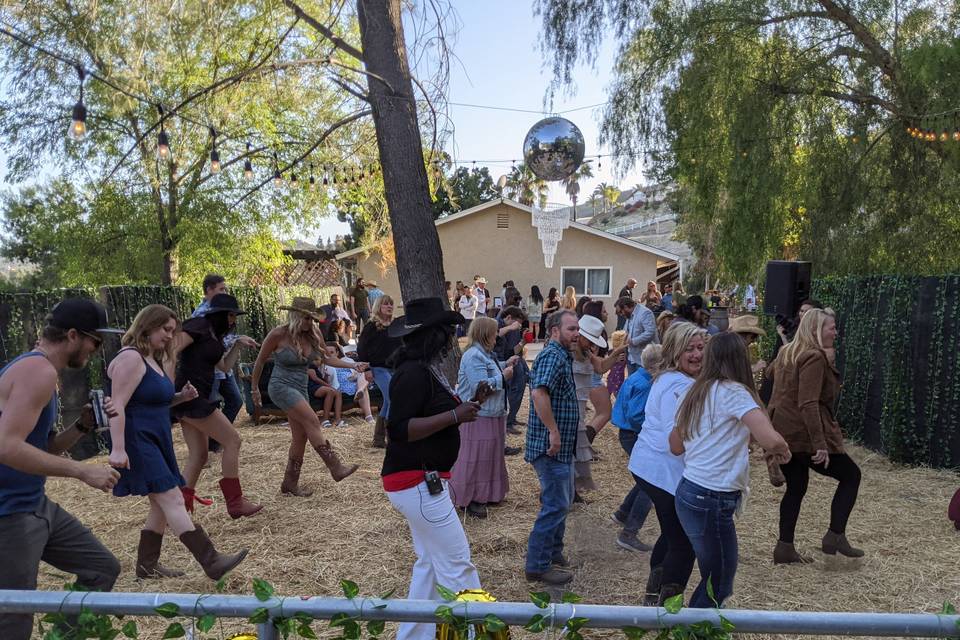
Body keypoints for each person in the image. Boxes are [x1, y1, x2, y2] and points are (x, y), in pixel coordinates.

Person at [0, 299, 123, 639]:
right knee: (13, 619)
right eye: (95, 341)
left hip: (33, 505)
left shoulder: (42, 372)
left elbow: (40, 447)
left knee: (101, 569)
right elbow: (6, 447)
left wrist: (81, 427)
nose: (97, 350)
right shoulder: (37, 371)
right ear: (72, 335)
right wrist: (82, 472)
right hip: (9, 513)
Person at [107, 305, 249, 580]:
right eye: (165, 330)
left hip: (155, 437)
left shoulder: (152, 358)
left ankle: (147, 566)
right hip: (138, 440)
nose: (170, 336)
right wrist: (118, 447)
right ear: (147, 326)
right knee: (172, 498)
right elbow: (117, 406)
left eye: (173, 331)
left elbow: (150, 400)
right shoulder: (131, 358)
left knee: (161, 503)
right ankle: (212, 561)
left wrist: (180, 398)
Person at [381, 297, 482, 640]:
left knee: (429, 565)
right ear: (433, 336)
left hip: (418, 482)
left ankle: (413, 635)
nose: (452, 337)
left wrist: (462, 409)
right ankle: (474, 634)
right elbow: (400, 429)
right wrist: (455, 415)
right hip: (417, 482)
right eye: (447, 331)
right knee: (457, 565)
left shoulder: (423, 370)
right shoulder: (411, 374)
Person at [668, 332, 790, 608]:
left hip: (689, 491)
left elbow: (675, 446)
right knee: (720, 581)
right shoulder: (734, 392)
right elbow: (769, 438)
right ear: (740, 360)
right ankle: (690, 632)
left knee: (716, 576)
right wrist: (783, 448)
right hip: (711, 497)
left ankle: (691, 627)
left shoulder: (693, 391)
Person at [767, 308, 863, 563]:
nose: (835, 332)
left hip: (783, 432)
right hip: (804, 435)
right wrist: (820, 445)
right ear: (816, 330)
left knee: (796, 487)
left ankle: (784, 547)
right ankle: (835, 535)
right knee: (852, 475)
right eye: (831, 327)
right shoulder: (813, 357)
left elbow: (770, 377)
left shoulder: (787, 352)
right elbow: (808, 403)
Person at [250, 297, 360, 497]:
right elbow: (259, 362)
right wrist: (254, 389)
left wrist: (353, 365)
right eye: (306, 319)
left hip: (300, 387)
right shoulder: (278, 334)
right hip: (281, 386)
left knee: (299, 437)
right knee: (312, 420)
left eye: (312, 319)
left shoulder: (313, 334)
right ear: (295, 316)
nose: (310, 323)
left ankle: (289, 483)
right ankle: (335, 466)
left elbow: (327, 358)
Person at [629, 322, 706, 605]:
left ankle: (653, 595)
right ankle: (666, 609)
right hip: (663, 471)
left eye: (700, 347)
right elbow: (676, 443)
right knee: (685, 542)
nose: (697, 354)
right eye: (690, 349)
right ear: (675, 351)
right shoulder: (682, 387)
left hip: (649, 466)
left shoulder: (669, 377)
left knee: (672, 532)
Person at [173, 293, 262, 519]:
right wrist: (168, 386)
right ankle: (235, 502)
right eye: (231, 315)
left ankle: (177, 509)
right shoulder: (198, 325)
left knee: (199, 455)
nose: (233, 320)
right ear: (220, 315)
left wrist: (238, 346)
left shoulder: (214, 335)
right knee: (233, 440)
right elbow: (171, 349)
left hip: (196, 395)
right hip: (190, 395)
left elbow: (223, 367)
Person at [524, 310, 581, 586]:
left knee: (562, 501)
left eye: (577, 329)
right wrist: (553, 431)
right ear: (555, 331)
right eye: (571, 329)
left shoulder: (560, 355)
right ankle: (537, 565)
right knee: (555, 504)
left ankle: (553, 552)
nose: (576, 333)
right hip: (551, 447)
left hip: (560, 446)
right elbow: (538, 393)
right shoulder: (551, 356)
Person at [451, 317, 519, 518]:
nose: (497, 335)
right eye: (494, 331)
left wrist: (505, 363)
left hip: (491, 414)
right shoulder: (473, 356)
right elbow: (479, 388)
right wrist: (503, 377)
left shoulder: (484, 354)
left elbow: (488, 370)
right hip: (478, 415)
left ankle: (486, 494)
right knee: (476, 458)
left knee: (489, 456)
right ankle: (470, 499)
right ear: (485, 333)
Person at [610, 345, 659, 553]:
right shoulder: (647, 383)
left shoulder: (637, 376)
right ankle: (629, 534)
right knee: (651, 485)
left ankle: (623, 513)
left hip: (627, 433)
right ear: (657, 365)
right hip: (634, 434)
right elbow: (636, 415)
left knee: (643, 479)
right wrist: (651, 431)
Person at [192, 274, 242, 456]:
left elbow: (222, 354)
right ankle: (206, 448)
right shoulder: (201, 315)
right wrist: (236, 340)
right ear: (208, 291)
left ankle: (215, 442)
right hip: (208, 371)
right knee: (208, 408)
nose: (225, 292)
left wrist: (236, 342)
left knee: (236, 400)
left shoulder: (219, 312)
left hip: (220, 367)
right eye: (222, 289)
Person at [357, 294, 402, 448]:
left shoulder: (396, 324)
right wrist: (367, 369)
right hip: (378, 367)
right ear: (378, 307)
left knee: (388, 402)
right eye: (385, 304)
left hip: (395, 368)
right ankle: (392, 438)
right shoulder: (372, 325)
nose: (389, 306)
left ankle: (378, 439)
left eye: (391, 304)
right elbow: (362, 348)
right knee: (394, 398)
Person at [581, 300, 626, 443]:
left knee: (602, 413)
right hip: (592, 380)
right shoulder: (579, 349)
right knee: (604, 413)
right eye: (604, 311)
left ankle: (584, 444)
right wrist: (613, 356)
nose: (607, 313)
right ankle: (584, 444)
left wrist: (613, 356)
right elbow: (598, 365)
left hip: (591, 379)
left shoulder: (585, 349)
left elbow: (600, 365)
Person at [494, 305, 528, 441]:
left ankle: (511, 419)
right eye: (517, 323)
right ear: (508, 317)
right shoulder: (497, 323)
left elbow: (511, 351)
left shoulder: (512, 329)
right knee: (507, 391)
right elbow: (493, 334)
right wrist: (510, 328)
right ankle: (507, 422)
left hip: (506, 360)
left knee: (521, 383)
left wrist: (523, 342)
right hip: (498, 362)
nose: (518, 327)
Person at [326, 342, 376, 425]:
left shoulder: (347, 360)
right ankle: (368, 416)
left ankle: (359, 391)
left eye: (332, 352)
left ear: (337, 353)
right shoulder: (326, 364)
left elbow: (357, 370)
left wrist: (355, 375)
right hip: (339, 386)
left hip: (354, 382)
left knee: (364, 374)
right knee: (363, 389)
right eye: (327, 353)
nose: (330, 355)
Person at [617, 296, 658, 375]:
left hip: (643, 359)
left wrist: (633, 341)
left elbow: (650, 332)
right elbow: (627, 331)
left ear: (626, 307)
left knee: (643, 385)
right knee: (632, 383)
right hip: (631, 357)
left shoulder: (645, 313)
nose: (621, 315)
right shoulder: (629, 315)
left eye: (621, 312)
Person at [307, 357, 343, 428]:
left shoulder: (319, 369)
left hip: (318, 387)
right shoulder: (310, 366)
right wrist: (328, 385)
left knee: (338, 393)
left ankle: (337, 418)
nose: (317, 362)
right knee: (330, 391)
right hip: (311, 386)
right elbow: (314, 378)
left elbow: (320, 380)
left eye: (318, 360)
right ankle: (325, 419)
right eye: (315, 359)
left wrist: (326, 377)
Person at [605, 330, 628, 398]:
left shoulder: (611, 352)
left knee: (610, 392)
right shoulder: (623, 354)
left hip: (611, 376)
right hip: (619, 377)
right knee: (617, 393)